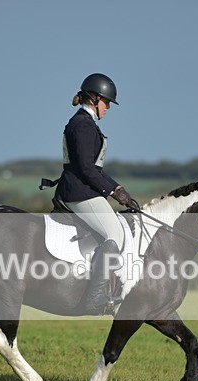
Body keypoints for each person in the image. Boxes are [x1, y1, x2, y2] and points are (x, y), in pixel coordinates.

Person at [48, 73, 138, 314]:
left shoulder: (85, 123)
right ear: (94, 99)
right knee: (115, 234)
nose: (108, 107)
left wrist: (119, 189)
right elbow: (86, 168)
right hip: (80, 192)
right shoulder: (82, 125)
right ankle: (94, 297)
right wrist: (114, 192)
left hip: (84, 189)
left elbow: (94, 169)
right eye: (106, 102)